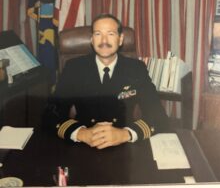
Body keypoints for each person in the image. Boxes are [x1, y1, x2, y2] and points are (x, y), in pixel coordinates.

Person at [45, 13, 170, 149]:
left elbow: (157, 114)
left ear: (120, 39)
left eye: (110, 34)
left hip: (125, 144)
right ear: (92, 40)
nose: (104, 40)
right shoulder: (74, 68)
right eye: (98, 34)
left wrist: (125, 134)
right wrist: (81, 133)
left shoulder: (136, 68)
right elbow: (51, 113)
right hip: (83, 144)